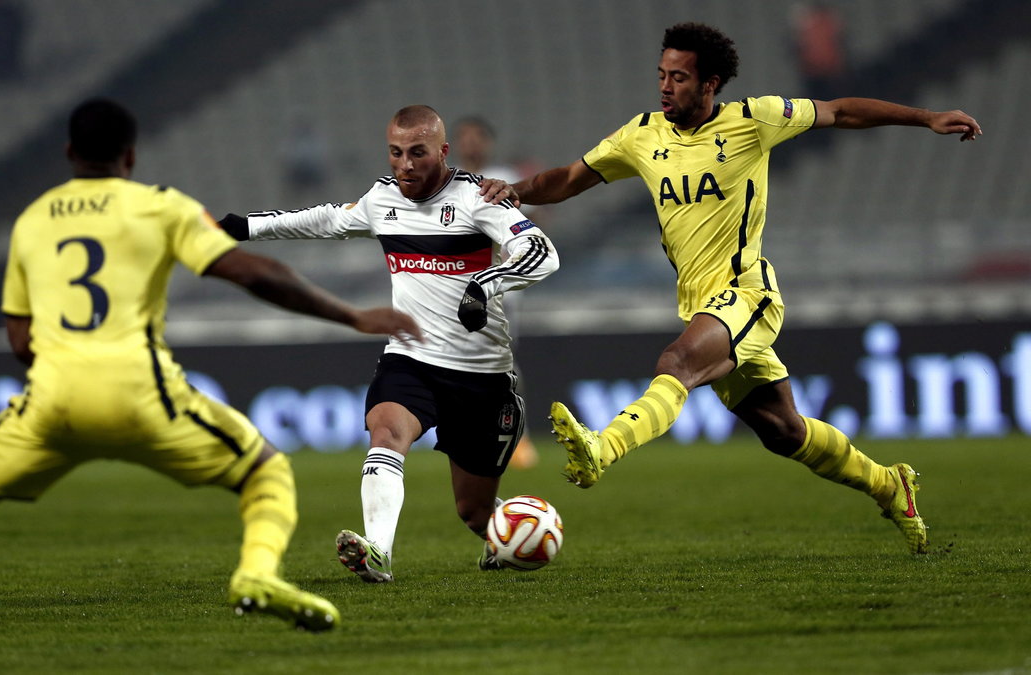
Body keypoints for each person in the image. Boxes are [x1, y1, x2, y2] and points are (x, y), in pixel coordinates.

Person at [0, 99, 422, 675]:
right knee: (265, 472)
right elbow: (254, 272)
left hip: (53, 401)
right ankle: (256, 574)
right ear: (132, 155)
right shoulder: (160, 206)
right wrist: (351, 315)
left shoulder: (33, 219)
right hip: (142, 394)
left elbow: (19, 341)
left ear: (69, 152)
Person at [480, 22, 981, 555]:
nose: (665, 86)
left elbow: (840, 110)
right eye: (661, 75)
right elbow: (568, 177)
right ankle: (888, 484)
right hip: (700, 304)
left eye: (678, 77)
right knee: (783, 431)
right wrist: (516, 191)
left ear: (710, 84)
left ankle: (603, 449)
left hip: (747, 293)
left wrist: (925, 117)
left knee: (677, 363)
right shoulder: (642, 135)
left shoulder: (755, 120)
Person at [220, 105, 559, 582]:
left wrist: (486, 284)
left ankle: (513, 533)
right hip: (411, 357)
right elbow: (325, 220)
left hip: (482, 373)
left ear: (442, 151)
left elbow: (542, 255)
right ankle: (377, 552)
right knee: (386, 432)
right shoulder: (382, 199)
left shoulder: (477, 198)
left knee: (474, 513)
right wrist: (246, 227)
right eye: (396, 153)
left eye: (417, 153)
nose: (404, 165)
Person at [451, 116, 539, 469]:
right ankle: (465, 435)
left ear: (487, 141)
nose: (471, 143)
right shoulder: (449, 181)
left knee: (504, 365)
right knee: (455, 365)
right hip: (456, 289)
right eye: (464, 137)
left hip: (499, 290)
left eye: (476, 137)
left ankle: (519, 438)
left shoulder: (503, 178)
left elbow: (530, 228)